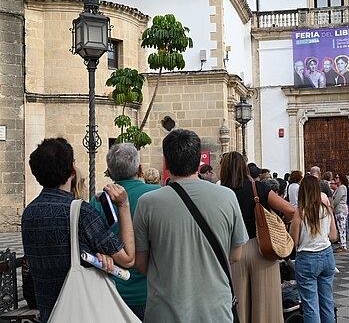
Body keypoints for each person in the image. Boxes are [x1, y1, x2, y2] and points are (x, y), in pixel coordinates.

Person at [133, 130, 248, 322]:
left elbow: (140, 263)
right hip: (215, 311)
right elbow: (235, 255)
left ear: (167, 163)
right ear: (198, 161)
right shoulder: (227, 197)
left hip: (165, 312)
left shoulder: (148, 203)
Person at [22, 138, 135, 323]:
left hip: (49, 314)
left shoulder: (29, 213)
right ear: (73, 171)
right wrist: (123, 205)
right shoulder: (81, 211)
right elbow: (128, 258)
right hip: (80, 312)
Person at [220, 151, 295, 323]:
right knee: (266, 302)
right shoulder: (258, 188)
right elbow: (290, 210)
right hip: (262, 248)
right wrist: (282, 222)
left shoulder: (221, 192)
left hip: (232, 251)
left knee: (238, 303)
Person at [90, 143, 161, 320]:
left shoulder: (99, 200)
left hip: (113, 289)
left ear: (110, 171)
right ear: (140, 169)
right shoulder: (158, 194)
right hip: (149, 291)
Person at [289, 175, 338, 323]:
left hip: (307, 257)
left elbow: (294, 240)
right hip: (327, 255)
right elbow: (334, 236)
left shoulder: (300, 212)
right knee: (327, 301)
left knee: (310, 304)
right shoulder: (326, 209)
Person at [333, 172, 349, 253]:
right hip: (338, 210)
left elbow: (337, 200)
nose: (335, 179)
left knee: (341, 227)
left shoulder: (342, 188)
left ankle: (343, 245)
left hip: (341, 210)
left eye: (337, 178)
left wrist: (331, 206)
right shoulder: (339, 188)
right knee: (340, 227)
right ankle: (342, 244)